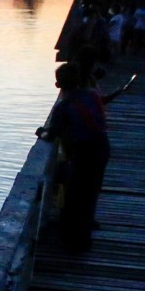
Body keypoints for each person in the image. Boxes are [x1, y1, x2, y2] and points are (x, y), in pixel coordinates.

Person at [39, 63, 111, 252]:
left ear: (58, 85)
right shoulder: (92, 95)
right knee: (91, 192)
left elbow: (51, 134)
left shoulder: (64, 106)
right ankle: (84, 236)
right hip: (102, 146)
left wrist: (41, 133)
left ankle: (73, 242)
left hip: (83, 152)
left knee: (75, 196)